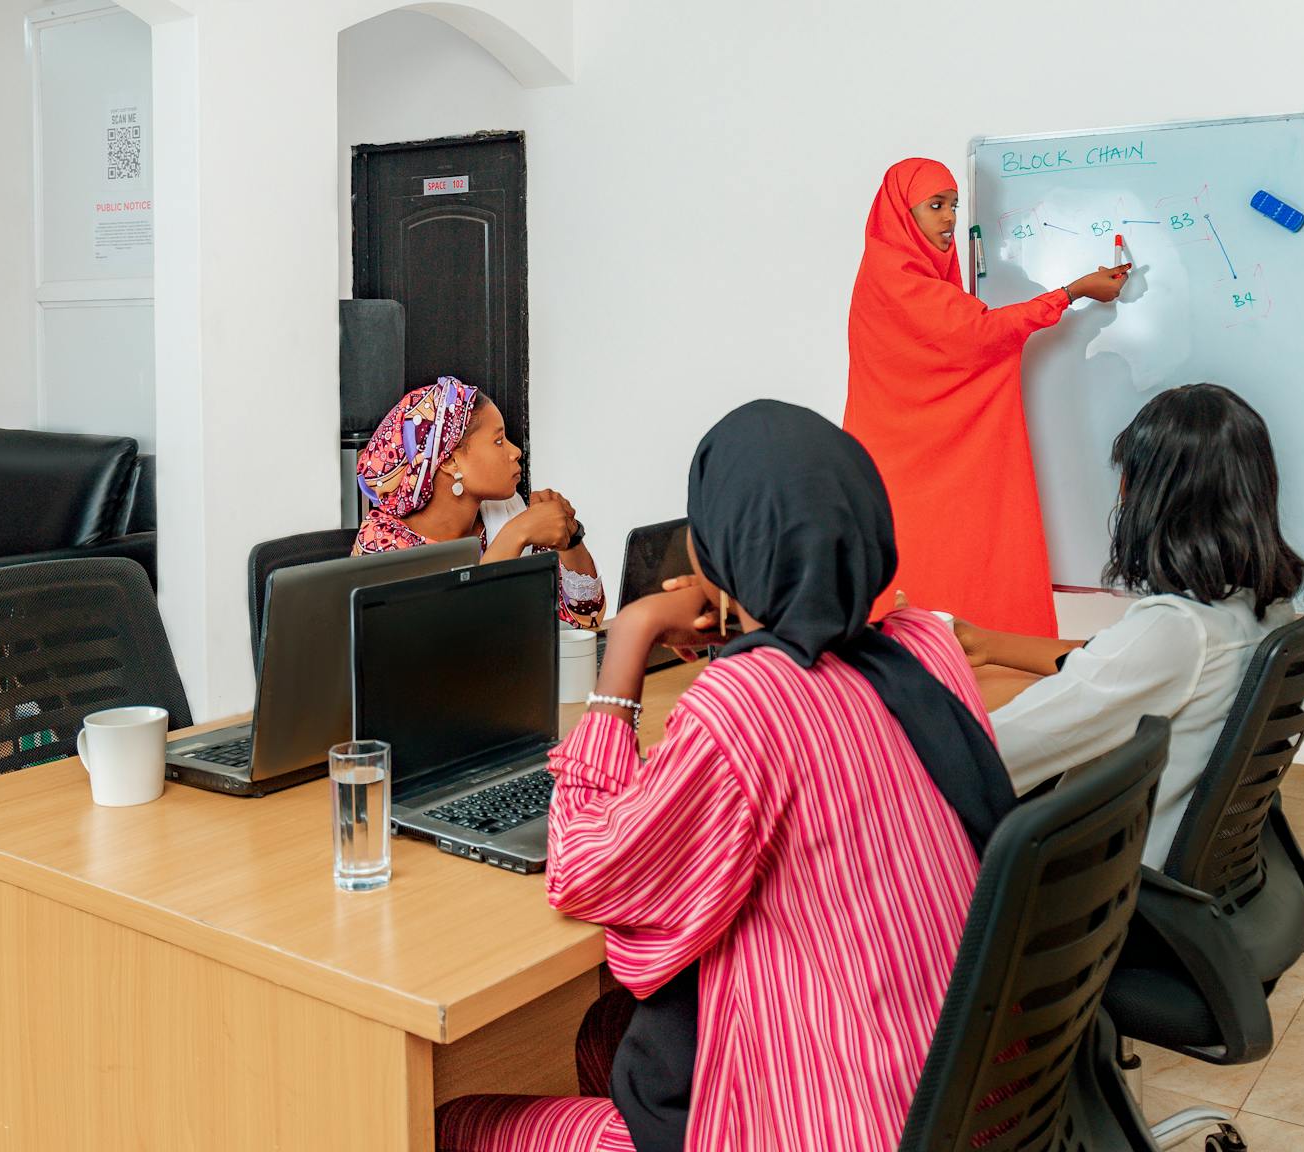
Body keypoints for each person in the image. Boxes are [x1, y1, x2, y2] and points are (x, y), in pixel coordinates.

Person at [435, 400, 1016, 1152]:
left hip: (832, 1119)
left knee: (447, 1127)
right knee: (606, 1033)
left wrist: (635, 635)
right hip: (963, 1097)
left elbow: (583, 868)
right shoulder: (926, 649)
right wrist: (747, 638)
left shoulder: (751, 702)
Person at [961, 384, 1304, 865]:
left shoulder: (1176, 630)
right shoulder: (1266, 609)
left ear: (1149, 494)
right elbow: (1107, 658)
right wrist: (988, 644)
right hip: (1183, 867)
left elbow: (992, 754)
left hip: (1109, 882)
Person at [843, 157, 1131, 636]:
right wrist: (1072, 291)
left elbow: (957, 338)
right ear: (900, 213)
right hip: (899, 461)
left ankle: (955, 664)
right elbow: (978, 335)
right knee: (916, 571)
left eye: (953, 205)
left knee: (947, 562)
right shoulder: (894, 276)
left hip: (907, 455)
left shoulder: (915, 277)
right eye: (934, 205)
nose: (949, 219)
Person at [353, 376, 604, 628]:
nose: (515, 451)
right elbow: (455, 639)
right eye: (498, 441)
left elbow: (586, 620)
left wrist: (570, 539)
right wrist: (515, 535)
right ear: (451, 461)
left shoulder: (502, 514)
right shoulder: (381, 545)